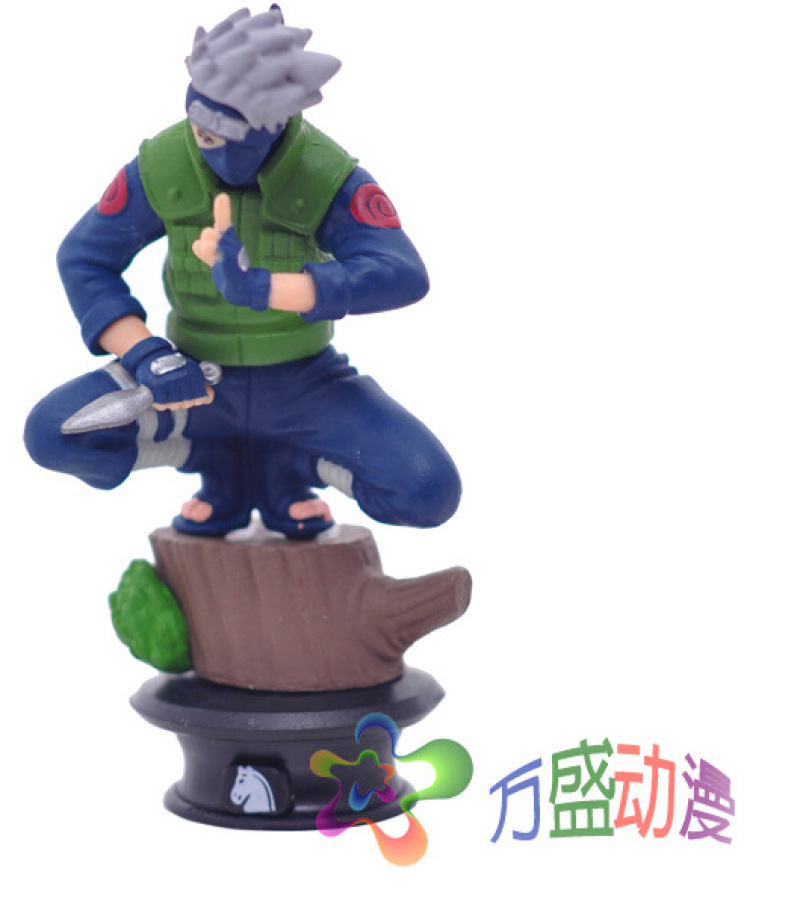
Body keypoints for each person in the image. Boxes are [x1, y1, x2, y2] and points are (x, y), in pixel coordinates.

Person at [25, 7, 461, 539]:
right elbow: (84, 257)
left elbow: (402, 272)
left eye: (217, 132)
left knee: (426, 489)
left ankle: (294, 462)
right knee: (53, 433)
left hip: (306, 385)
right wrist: (146, 355)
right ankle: (210, 458)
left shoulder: (325, 173)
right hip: (196, 384)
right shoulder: (163, 164)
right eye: (196, 121)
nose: (199, 137)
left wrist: (270, 288)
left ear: (268, 127)